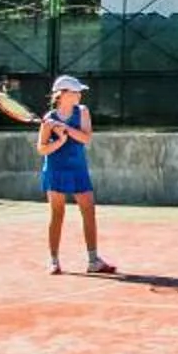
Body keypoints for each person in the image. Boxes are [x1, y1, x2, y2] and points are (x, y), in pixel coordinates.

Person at [36, 74, 118, 276]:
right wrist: (59, 142)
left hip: (78, 169)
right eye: (76, 92)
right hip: (55, 169)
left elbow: (86, 137)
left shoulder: (82, 112)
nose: (80, 94)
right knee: (57, 214)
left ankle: (93, 260)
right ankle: (54, 261)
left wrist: (66, 129)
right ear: (63, 94)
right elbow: (42, 149)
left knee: (89, 211)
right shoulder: (48, 119)